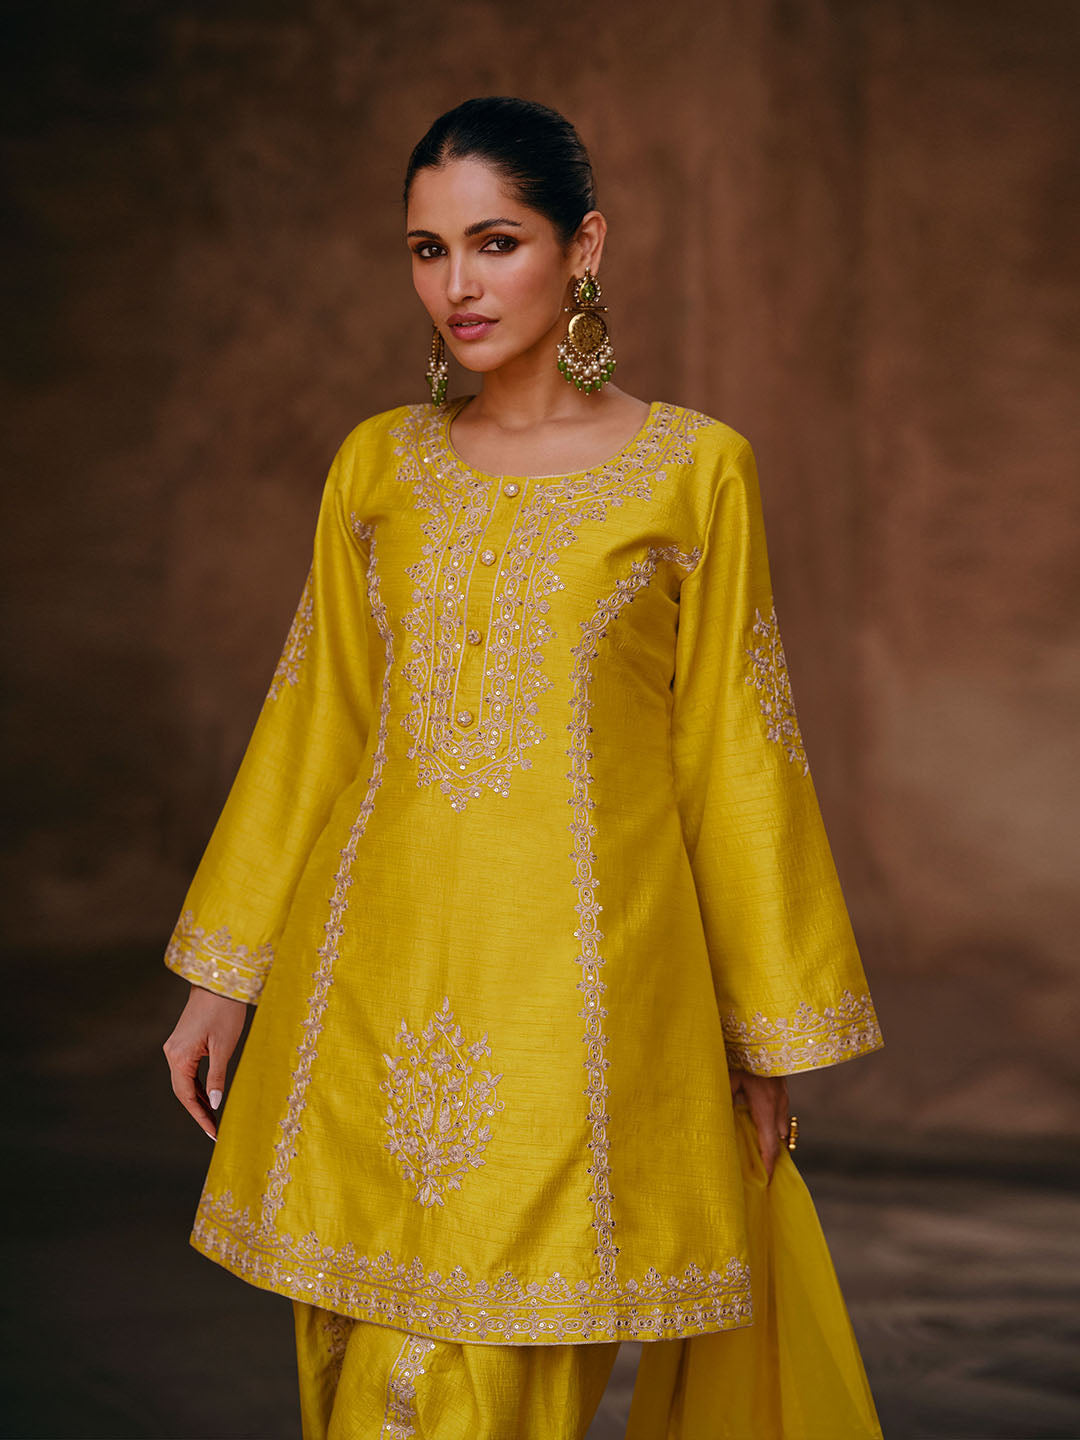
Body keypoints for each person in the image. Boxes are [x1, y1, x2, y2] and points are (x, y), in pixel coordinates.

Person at [162, 96, 884, 1439]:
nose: (459, 285)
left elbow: (736, 751)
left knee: (477, 1373)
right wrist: (223, 974)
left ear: (583, 246)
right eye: (428, 250)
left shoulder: (695, 474)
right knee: (354, 1355)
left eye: (496, 243)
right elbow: (316, 717)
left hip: (585, 1001)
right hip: (364, 988)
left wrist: (761, 1034)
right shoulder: (376, 466)